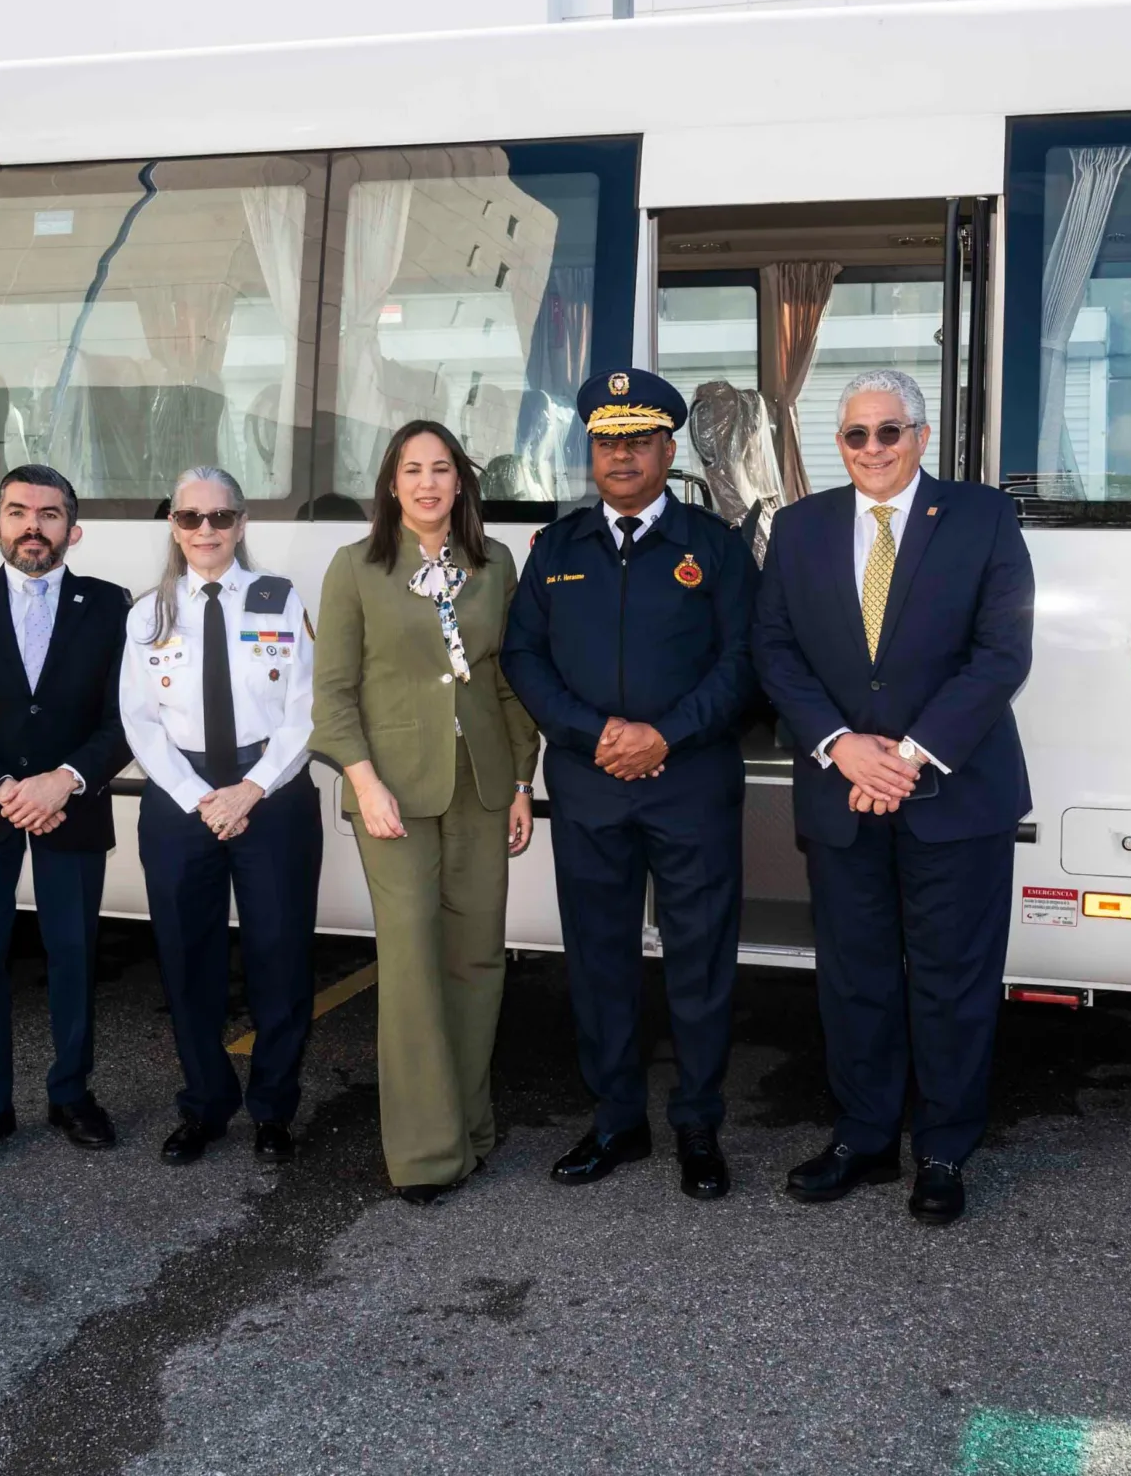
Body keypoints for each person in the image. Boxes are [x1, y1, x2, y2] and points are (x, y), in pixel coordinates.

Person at [750, 368, 1033, 1226]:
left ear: (920, 435)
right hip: (843, 795)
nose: (871, 448)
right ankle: (864, 1139)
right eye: (854, 435)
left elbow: (1001, 652)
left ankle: (943, 1149)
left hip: (952, 792)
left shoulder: (983, 517)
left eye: (888, 431)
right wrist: (841, 747)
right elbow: (774, 650)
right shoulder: (798, 528)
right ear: (838, 444)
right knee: (856, 977)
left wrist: (906, 756)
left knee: (952, 980)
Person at [502, 367, 757, 1200]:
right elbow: (524, 659)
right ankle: (616, 1118)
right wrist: (594, 734)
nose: (621, 454)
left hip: (690, 785)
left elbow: (745, 663)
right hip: (591, 787)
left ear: (666, 448)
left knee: (699, 962)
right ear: (592, 451)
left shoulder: (713, 546)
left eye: (638, 439)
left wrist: (665, 735)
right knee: (600, 960)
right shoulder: (557, 549)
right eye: (607, 440)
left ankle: (697, 1124)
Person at [310, 421, 539, 1204]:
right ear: (391, 483)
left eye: (442, 468)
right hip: (393, 797)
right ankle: (425, 1154)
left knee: (477, 962)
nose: (428, 482)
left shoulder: (493, 563)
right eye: (412, 469)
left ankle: (472, 1129)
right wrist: (365, 782)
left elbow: (507, 683)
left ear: (461, 482)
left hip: (482, 785)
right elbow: (334, 695)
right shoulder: (357, 567)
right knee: (410, 968)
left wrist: (520, 784)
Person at [0, 464, 135, 1168]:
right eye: (18, 512)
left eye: (48, 513)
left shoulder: (111, 605)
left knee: (73, 954)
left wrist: (63, 782)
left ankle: (71, 1093)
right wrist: (5, 788)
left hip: (72, 805)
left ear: (74, 529)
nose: (32, 526)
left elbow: (126, 717)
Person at [121, 466, 324, 1167]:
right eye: (189, 517)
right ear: (174, 526)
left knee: (280, 957)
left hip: (272, 791)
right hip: (182, 797)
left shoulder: (279, 599)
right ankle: (205, 1105)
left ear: (241, 523)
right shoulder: (148, 613)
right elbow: (140, 721)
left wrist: (252, 788)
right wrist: (196, 796)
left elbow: (306, 710)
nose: (204, 530)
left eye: (219, 516)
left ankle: (273, 1109)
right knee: (186, 961)